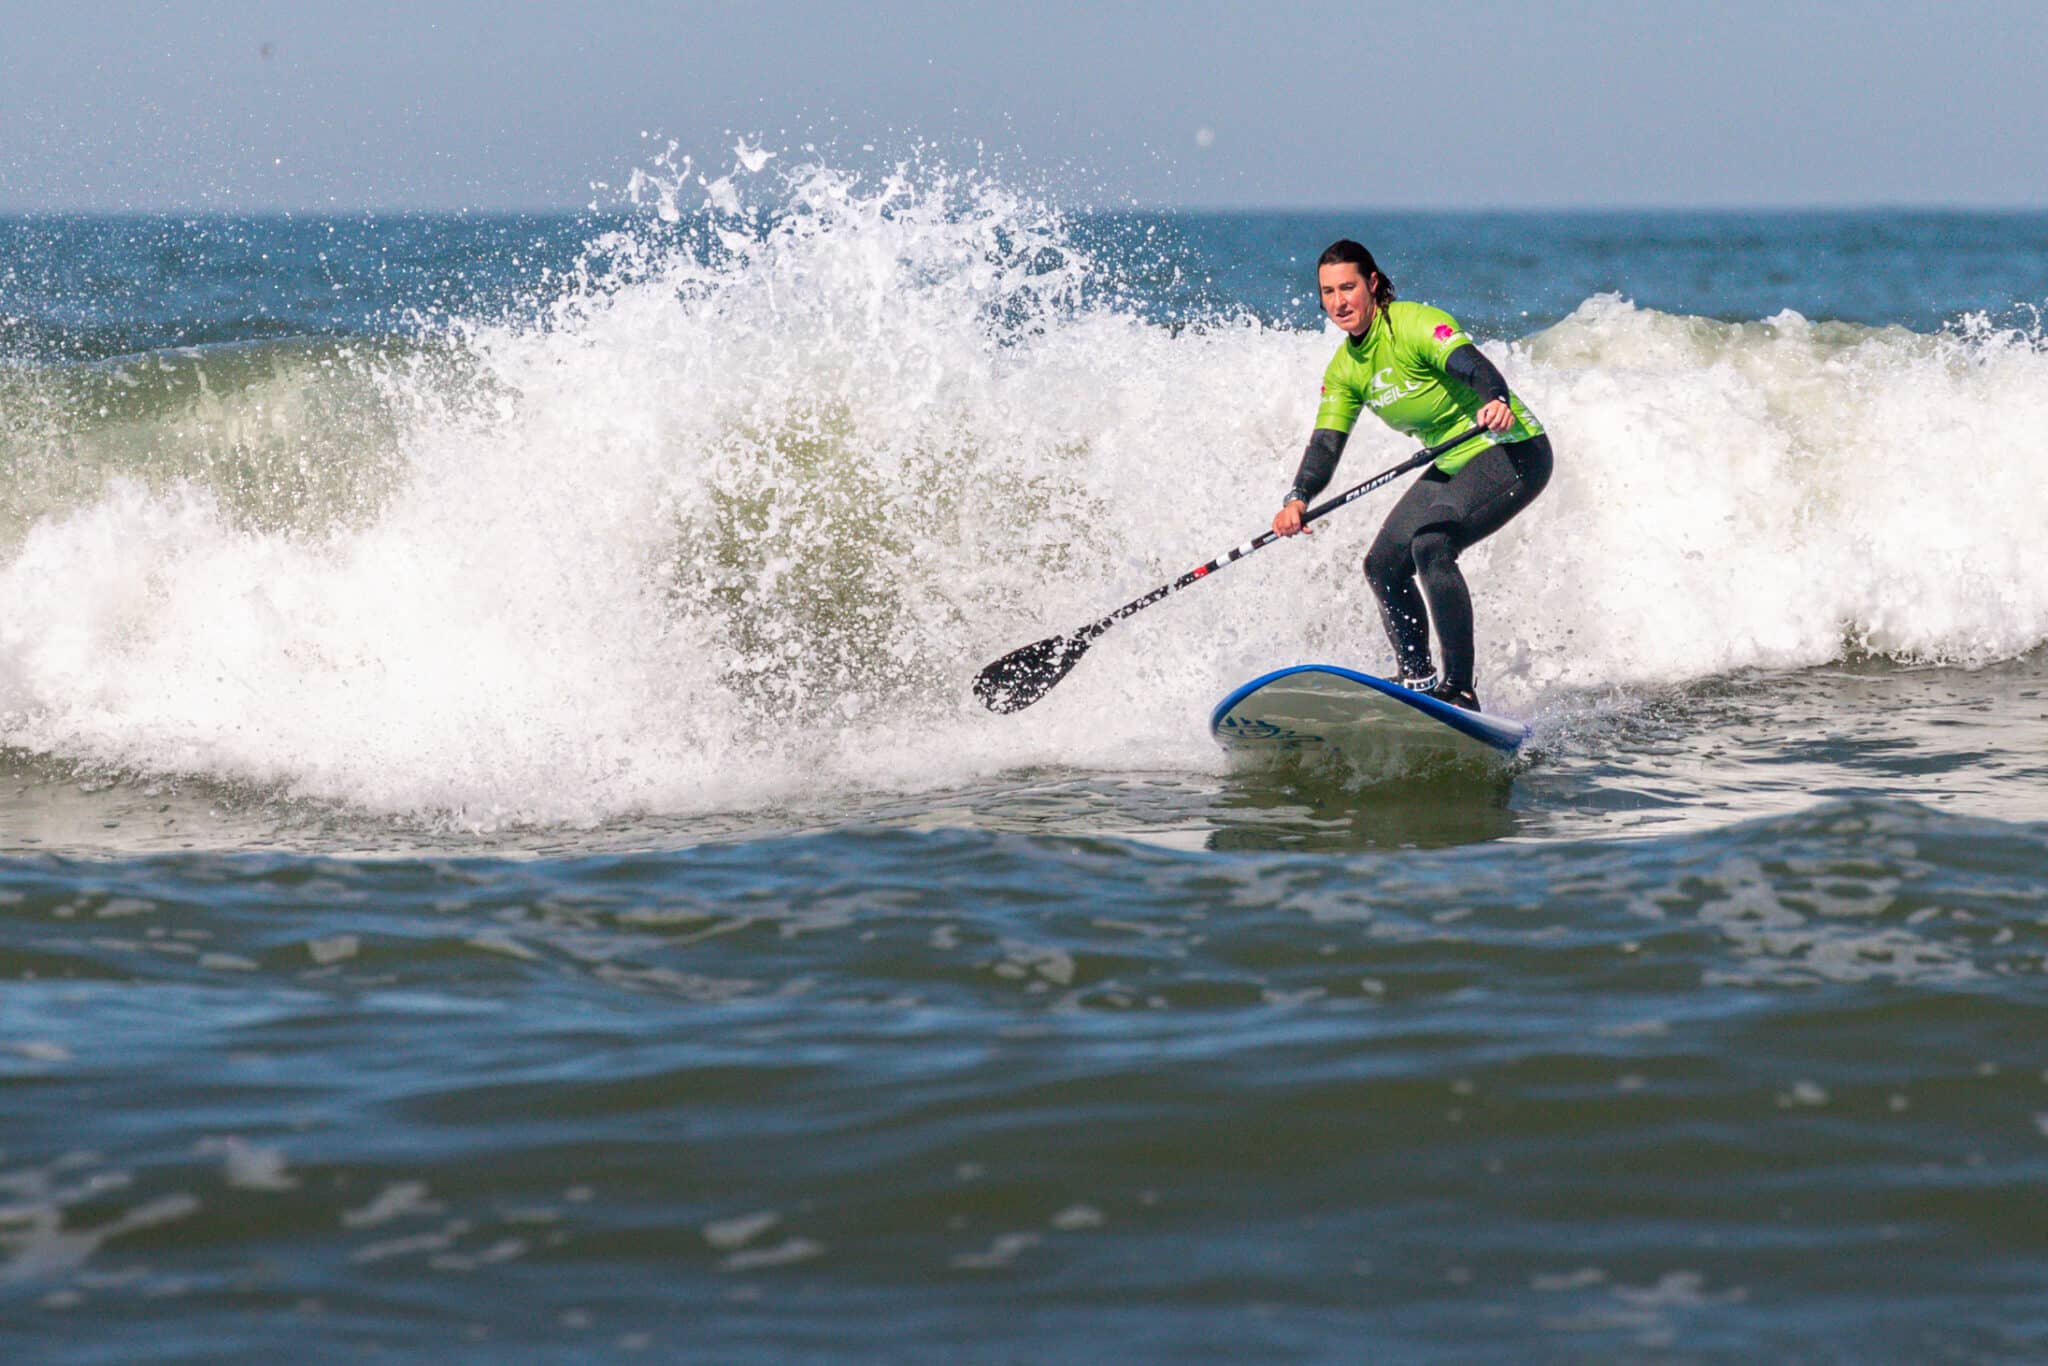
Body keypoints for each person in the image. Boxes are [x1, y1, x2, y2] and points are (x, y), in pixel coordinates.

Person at [1271, 239, 1552, 713]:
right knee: (1382, 564)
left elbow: (1475, 367)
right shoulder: (1344, 370)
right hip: (1453, 459)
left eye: (1348, 288)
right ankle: (1418, 679)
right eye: (1328, 292)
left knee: (1431, 544)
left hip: (1511, 447)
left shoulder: (1413, 324)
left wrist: (1496, 400)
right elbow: (1325, 444)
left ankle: (1460, 690)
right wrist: (1298, 497)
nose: (1339, 302)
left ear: (1372, 284)